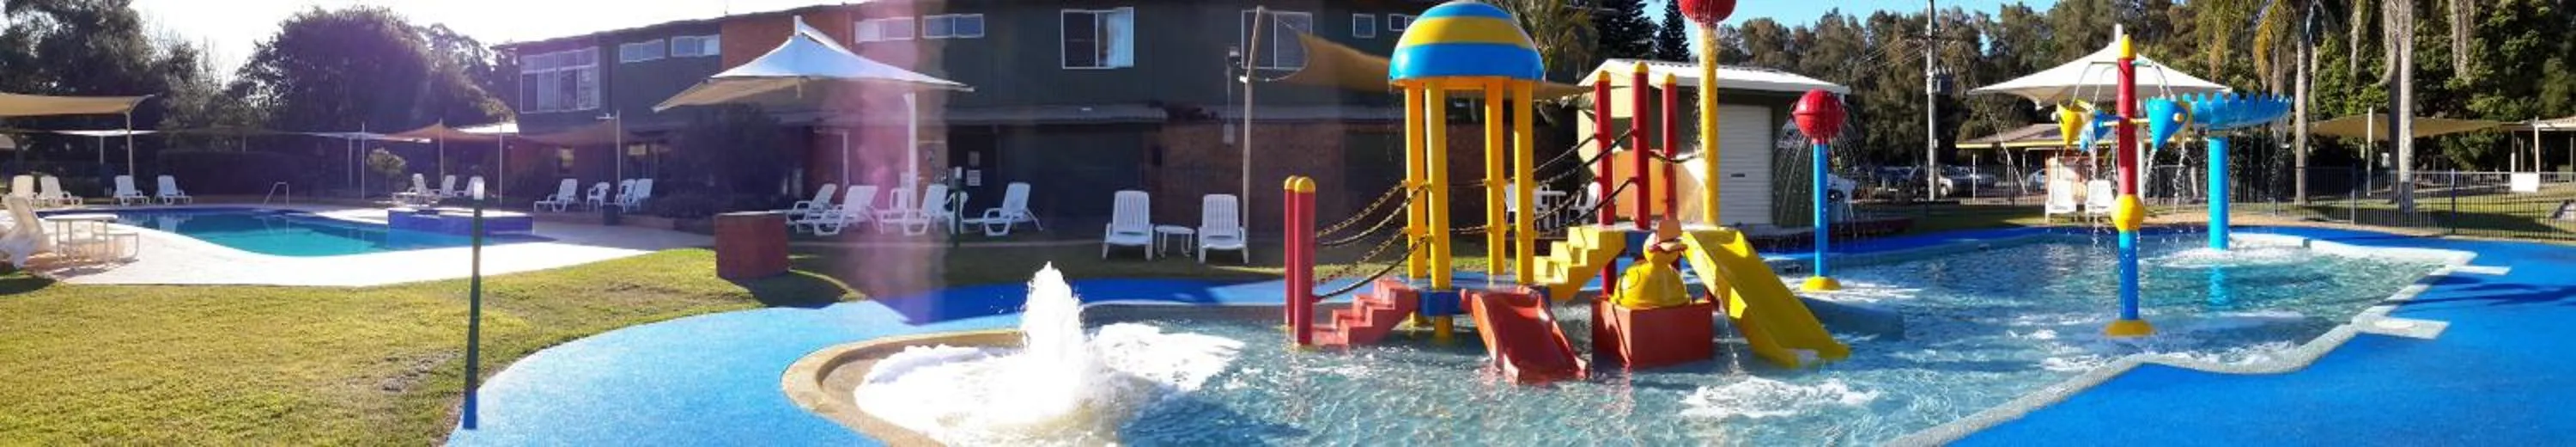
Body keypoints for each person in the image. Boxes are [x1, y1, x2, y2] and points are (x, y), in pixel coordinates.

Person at [1612, 217, 1693, 309]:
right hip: (1670, 302)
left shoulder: (1674, 276)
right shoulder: (1675, 277)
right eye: (1668, 251)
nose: (1673, 254)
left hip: (1637, 299)